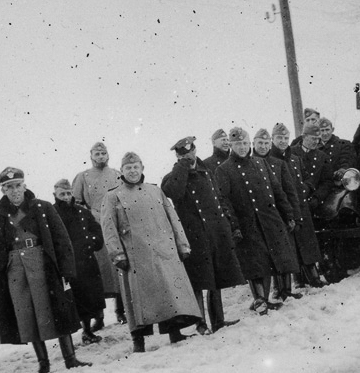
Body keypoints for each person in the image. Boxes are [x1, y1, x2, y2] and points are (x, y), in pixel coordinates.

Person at [0, 168, 91, 373]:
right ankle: (43, 364)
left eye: (18, 185)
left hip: (44, 265)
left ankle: (70, 360)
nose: (15, 191)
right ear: (3, 191)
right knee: (27, 314)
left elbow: (61, 239)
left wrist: (66, 270)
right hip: (15, 270)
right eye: (9, 187)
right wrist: (2, 262)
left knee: (57, 309)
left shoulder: (43, 207)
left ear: (25, 186)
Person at [100, 152, 202, 353]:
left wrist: (182, 244)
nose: (132, 171)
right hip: (135, 257)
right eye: (128, 168)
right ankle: (139, 342)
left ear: (142, 168)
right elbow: (108, 228)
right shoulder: (112, 196)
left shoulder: (155, 191)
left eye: (136, 167)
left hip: (164, 251)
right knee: (137, 302)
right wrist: (117, 254)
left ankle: (175, 333)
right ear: (121, 171)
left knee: (170, 293)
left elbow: (173, 218)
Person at [162, 136, 245, 334]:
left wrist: (229, 223)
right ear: (177, 155)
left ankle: (218, 321)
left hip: (215, 232)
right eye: (183, 153)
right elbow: (174, 192)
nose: (188, 155)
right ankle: (201, 323)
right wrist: (182, 168)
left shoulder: (207, 173)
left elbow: (219, 198)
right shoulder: (173, 176)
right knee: (200, 281)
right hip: (194, 236)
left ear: (196, 150)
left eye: (191, 151)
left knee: (216, 278)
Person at [213, 127, 300, 315]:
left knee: (276, 257)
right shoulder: (223, 170)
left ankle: (280, 293)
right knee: (256, 263)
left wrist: (288, 214)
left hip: (270, 219)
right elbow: (224, 201)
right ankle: (260, 300)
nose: (242, 147)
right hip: (247, 224)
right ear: (231, 146)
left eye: (245, 143)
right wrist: (234, 226)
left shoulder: (260, 163)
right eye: (238, 144)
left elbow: (277, 191)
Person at [71, 141, 125, 327]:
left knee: (120, 268)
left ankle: (122, 311)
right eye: (97, 154)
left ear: (108, 155)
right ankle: (99, 316)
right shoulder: (83, 177)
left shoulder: (117, 174)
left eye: (103, 153)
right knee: (98, 274)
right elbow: (75, 202)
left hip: (116, 226)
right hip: (95, 228)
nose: (100, 156)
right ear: (91, 156)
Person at [270, 123, 327, 288]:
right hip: (282, 207)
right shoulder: (269, 160)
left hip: (299, 204)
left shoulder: (294, 159)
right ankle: (286, 285)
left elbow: (304, 179)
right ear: (273, 139)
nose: (282, 141)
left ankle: (313, 276)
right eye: (279, 138)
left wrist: (306, 189)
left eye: (285, 138)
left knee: (306, 242)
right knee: (287, 246)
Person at [52, 179, 107, 345]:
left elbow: (97, 230)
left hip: (88, 261)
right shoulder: (52, 214)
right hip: (69, 266)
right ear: (55, 195)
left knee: (93, 296)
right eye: (62, 194)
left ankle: (90, 328)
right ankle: (84, 331)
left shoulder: (82, 212)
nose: (67, 197)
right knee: (77, 300)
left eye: (69, 193)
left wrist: (92, 241)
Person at [253, 127, 304, 302]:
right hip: (262, 217)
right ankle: (267, 295)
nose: (263, 147)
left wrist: (292, 216)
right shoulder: (249, 164)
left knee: (284, 252)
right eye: (260, 143)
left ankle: (286, 290)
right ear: (254, 143)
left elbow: (289, 192)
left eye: (266, 143)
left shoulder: (278, 164)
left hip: (280, 215)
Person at [292, 124, 337, 212]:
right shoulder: (290, 153)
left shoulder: (322, 157)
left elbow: (327, 182)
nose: (316, 142)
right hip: (294, 201)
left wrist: (317, 197)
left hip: (313, 204)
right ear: (304, 137)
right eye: (313, 138)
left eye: (318, 139)